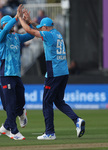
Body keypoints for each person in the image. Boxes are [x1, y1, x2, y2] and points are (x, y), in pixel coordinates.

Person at [17, 5, 85, 140]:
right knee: (58, 101)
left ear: (46, 28)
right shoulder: (57, 33)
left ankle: (50, 132)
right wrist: (31, 21)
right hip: (63, 72)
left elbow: (30, 31)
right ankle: (77, 120)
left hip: (53, 73)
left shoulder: (48, 35)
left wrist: (20, 18)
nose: (41, 29)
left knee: (46, 102)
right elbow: (38, 28)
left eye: (43, 27)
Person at [0, 8, 34, 140]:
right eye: (10, 24)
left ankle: (19, 114)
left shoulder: (17, 37)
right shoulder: (0, 36)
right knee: (11, 103)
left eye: (13, 24)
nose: (13, 26)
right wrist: (16, 17)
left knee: (21, 100)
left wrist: (28, 22)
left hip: (16, 75)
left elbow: (30, 35)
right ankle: (13, 131)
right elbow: (6, 30)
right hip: (5, 75)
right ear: (4, 25)